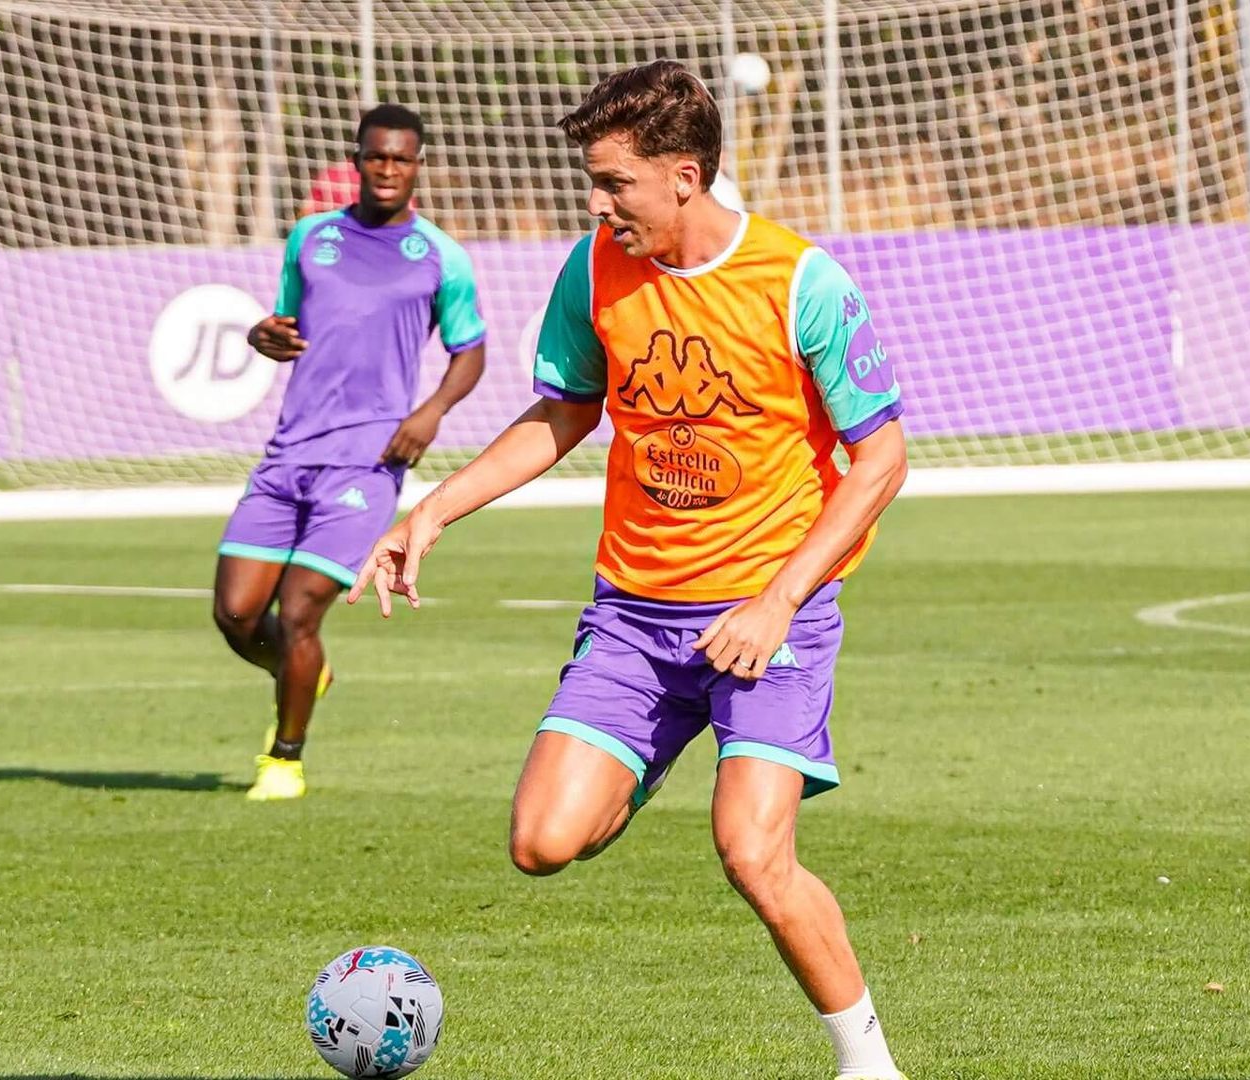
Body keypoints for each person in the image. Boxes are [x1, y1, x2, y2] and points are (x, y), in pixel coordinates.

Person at [350, 62, 910, 1079]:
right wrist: (431, 507)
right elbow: (565, 413)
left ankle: (869, 1066)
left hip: (768, 615)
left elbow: (883, 460)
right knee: (541, 843)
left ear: (686, 176)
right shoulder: (594, 269)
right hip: (635, 620)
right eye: (593, 184)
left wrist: (779, 600)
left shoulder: (801, 283)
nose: (598, 205)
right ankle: (649, 748)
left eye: (616, 184)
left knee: (751, 852)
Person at [217, 104, 488, 802]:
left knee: (300, 613)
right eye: (376, 157)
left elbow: (470, 351)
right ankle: (306, 672)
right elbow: (283, 327)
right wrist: (261, 336)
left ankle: (285, 759)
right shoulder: (311, 238)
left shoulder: (440, 256)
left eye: (401, 158)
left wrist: (430, 413)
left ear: (418, 164)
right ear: (358, 160)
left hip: (367, 463)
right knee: (237, 615)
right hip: (289, 453)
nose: (388, 169)